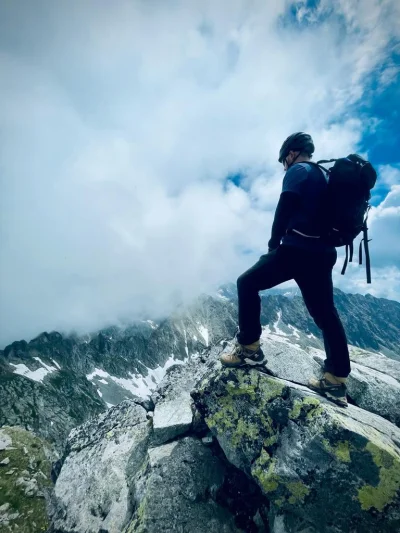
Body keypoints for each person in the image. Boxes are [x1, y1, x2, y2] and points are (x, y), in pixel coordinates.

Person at [220, 132, 351, 408]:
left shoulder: (298, 171)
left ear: (291, 154)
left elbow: (285, 207)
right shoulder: (327, 176)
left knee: (246, 283)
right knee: (326, 314)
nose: (284, 165)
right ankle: (336, 381)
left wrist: (273, 244)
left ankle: (249, 348)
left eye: (283, 160)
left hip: (296, 250)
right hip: (323, 253)